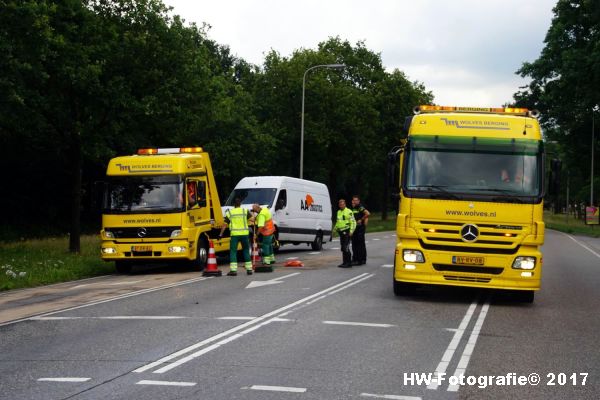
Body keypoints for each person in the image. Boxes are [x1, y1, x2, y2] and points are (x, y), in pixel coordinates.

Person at [219, 197, 253, 276]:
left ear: (234, 205)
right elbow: (253, 219)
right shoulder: (245, 211)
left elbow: (225, 224)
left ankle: (233, 270)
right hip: (244, 234)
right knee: (245, 250)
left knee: (233, 252)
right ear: (240, 204)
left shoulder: (230, 212)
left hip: (235, 235)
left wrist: (220, 234)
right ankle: (249, 269)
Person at [335, 198, 356, 268]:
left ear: (345, 204)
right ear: (339, 205)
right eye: (340, 204)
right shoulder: (338, 212)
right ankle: (344, 262)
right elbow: (338, 222)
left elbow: (353, 222)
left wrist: (351, 231)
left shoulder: (349, 211)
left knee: (346, 247)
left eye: (342, 204)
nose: (341, 205)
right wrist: (334, 230)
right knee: (342, 248)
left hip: (347, 231)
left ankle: (349, 263)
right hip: (341, 232)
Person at [351, 195, 370, 265]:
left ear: (358, 201)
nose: (355, 201)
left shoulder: (360, 207)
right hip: (355, 228)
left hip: (360, 228)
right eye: (354, 200)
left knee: (359, 244)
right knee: (355, 244)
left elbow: (368, 213)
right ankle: (358, 259)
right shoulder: (353, 208)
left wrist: (361, 220)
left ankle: (360, 260)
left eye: (356, 200)